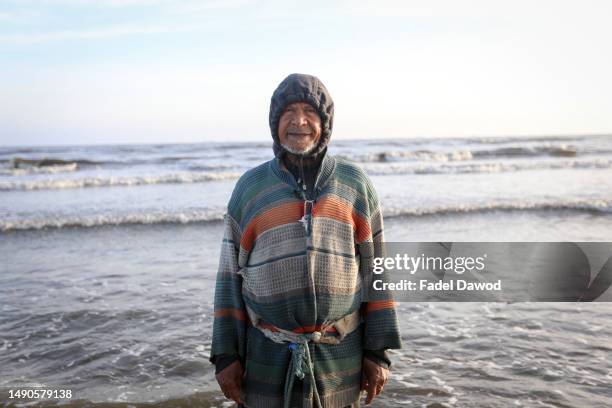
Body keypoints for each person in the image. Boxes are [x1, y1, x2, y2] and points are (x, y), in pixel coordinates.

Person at [210, 73, 402, 408]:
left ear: (325, 123)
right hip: (266, 356)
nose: (299, 121)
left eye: (310, 112)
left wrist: (378, 352)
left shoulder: (354, 184)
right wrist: (226, 356)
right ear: (275, 122)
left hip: (340, 357)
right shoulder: (250, 188)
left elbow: (377, 269)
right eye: (289, 112)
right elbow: (229, 276)